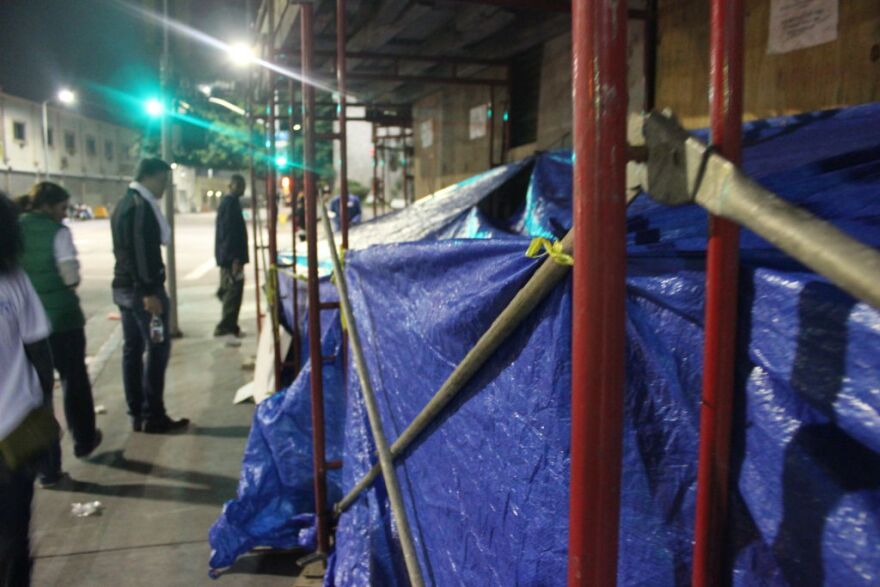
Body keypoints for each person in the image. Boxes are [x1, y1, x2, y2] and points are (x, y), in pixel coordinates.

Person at [18, 183, 102, 486]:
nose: (64, 214)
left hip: (26, 325)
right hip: (61, 320)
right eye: (63, 208)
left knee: (39, 395)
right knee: (73, 380)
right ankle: (84, 439)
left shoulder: (16, 227)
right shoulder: (59, 233)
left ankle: (48, 468)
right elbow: (70, 277)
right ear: (50, 206)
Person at [0, 191, 56, 586]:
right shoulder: (12, 279)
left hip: (15, 432)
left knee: (12, 542)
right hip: (16, 430)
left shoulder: (12, 279)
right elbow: (40, 351)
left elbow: (38, 348)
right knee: (13, 540)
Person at [111, 158, 189, 433]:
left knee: (132, 350)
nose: (165, 187)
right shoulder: (140, 207)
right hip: (143, 293)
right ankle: (153, 414)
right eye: (163, 181)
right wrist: (148, 291)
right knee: (157, 348)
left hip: (124, 289)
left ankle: (138, 413)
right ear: (149, 176)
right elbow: (141, 252)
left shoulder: (124, 204)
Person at [213, 174, 249, 339]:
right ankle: (226, 325)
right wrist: (235, 259)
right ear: (232, 185)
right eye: (240, 185)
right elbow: (229, 234)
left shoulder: (231, 203)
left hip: (229, 257)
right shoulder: (230, 204)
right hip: (231, 258)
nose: (243, 189)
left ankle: (230, 324)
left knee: (231, 289)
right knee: (234, 291)